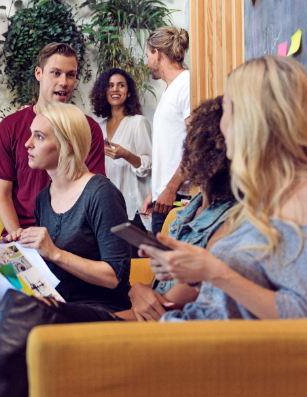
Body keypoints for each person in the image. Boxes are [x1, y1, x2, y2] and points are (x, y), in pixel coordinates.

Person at [0, 43, 108, 396]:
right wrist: (17, 232)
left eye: (71, 74)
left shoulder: (87, 131)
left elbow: (85, 191)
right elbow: (2, 193)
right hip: (20, 234)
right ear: (39, 74)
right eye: (56, 73)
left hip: (65, 239)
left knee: (10, 318)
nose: (64, 81)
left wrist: (56, 247)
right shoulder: (10, 128)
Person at [143, 55, 307, 322]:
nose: (222, 123)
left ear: (255, 117)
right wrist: (191, 272)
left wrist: (212, 270)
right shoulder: (261, 196)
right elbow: (242, 290)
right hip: (185, 331)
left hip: (217, 351)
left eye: (228, 108)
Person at [0, 103, 131, 397]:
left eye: (39, 137)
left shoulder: (101, 193)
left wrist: (53, 252)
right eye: (31, 135)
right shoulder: (44, 199)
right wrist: (18, 259)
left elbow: (115, 276)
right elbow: (50, 273)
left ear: (65, 145)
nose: (28, 144)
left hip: (100, 309)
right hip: (59, 304)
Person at [119, 95, 236, 321]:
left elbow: (166, 306)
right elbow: (156, 289)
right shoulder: (187, 211)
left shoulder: (231, 222)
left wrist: (139, 294)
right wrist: (137, 290)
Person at [90, 68, 153, 237]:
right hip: (105, 207)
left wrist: (126, 154)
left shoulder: (138, 122)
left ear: (129, 92)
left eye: (121, 85)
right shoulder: (99, 127)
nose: (115, 89)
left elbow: (149, 164)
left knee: (133, 261)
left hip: (132, 209)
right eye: (110, 85)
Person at [140, 26, 191, 236]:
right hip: (165, 198)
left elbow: (196, 144)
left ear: (157, 54)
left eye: (148, 56)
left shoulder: (186, 84)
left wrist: (170, 190)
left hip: (178, 198)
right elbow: (170, 148)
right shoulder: (170, 89)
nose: (147, 63)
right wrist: (156, 191)